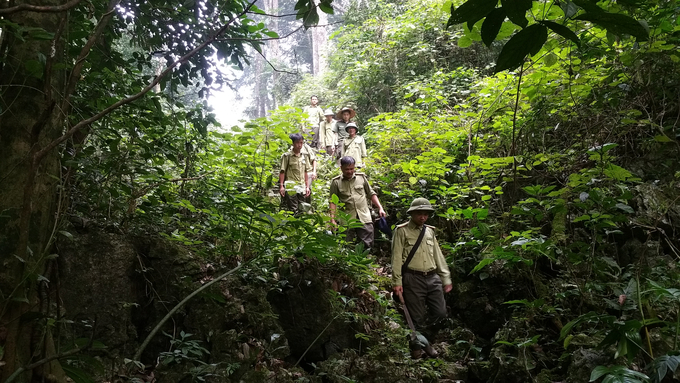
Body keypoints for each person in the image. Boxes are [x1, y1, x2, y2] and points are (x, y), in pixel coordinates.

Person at [391, 198, 452, 359]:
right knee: (416, 318)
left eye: (426, 214)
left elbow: (438, 256)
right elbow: (396, 258)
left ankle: (426, 342)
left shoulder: (430, 231)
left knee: (440, 313)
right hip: (412, 278)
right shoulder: (402, 231)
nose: (423, 217)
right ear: (412, 214)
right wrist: (397, 282)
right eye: (420, 214)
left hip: (432, 278)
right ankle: (417, 351)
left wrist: (446, 278)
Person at [329, 156, 386, 250]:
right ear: (341, 168)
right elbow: (332, 201)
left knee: (367, 243)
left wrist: (380, 207)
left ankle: (365, 261)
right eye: (346, 169)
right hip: (347, 217)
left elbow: (371, 194)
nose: (349, 171)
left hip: (363, 215)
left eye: (352, 169)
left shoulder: (361, 178)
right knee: (346, 244)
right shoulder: (336, 182)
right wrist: (332, 219)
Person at [279, 133, 312, 215]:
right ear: (293, 143)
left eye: (301, 142)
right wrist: (281, 186)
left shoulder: (304, 156)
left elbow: (305, 172)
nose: (299, 145)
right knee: (293, 209)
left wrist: (307, 187)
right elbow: (282, 171)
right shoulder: (287, 156)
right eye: (297, 142)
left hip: (302, 185)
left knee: (303, 208)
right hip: (291, 186)